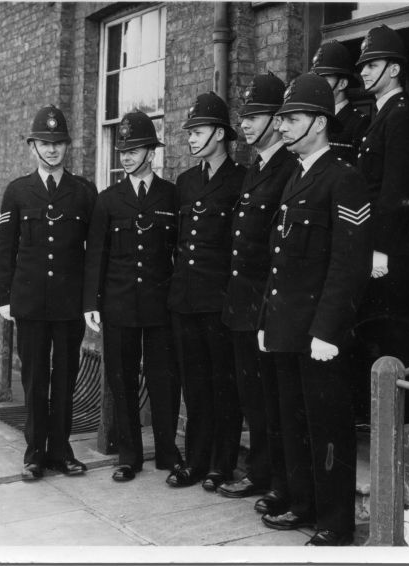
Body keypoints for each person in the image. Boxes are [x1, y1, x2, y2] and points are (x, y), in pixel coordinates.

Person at [257, 73, 373, 546]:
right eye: (282, 119)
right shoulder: (298, 176)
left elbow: (349, 264)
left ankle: (335, 524)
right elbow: (279, 256)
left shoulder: (343, 178)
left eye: (293, 119)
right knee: (294, 422)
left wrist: (327, 330)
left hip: (319, 334)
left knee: (327, 429)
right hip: (287, 327)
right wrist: (267, 319)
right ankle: (304, 504)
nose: (283, 127)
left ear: (321, 124)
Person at [0, 104, 96, 481]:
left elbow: (92, 254)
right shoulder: (18, 192)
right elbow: (5, 248)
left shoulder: (83, 191)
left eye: (59, 143)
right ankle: (34, 453)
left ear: (67, 146)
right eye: (45, 142)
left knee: (65, 376)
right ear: (31, 146)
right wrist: (6, 298)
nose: (52, 150)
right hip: (32, 304)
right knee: (35, 378)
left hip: (69, 304)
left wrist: (89, 303)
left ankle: (61, 450)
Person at [83, 111, 183, 483]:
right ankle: (129, 454)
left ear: (151, 152)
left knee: (164, 379)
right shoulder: (109, 200)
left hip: (160, 305)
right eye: (122, 149)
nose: (125, 156)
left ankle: (167, 451)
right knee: (121, 380)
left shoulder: (170, 195)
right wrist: (91, 303)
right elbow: (96, 255)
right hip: (119, 303)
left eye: (134, 149)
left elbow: (178, 251)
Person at [217, 73, 298, 514]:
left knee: (272, 399)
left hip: (266, 304)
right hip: (241, 302)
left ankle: (275, 479)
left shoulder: (287, 168)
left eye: (256, 116)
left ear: (277, 120)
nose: (246, 125)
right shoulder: (256, 168)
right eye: (244, 117)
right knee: (252, 396)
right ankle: (261, 471)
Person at [166, 92, 247, 491]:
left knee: (222, 384)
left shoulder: (240, 179)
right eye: (191, 133)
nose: (192, 139)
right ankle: (196, 461)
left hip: (219, 301)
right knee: (193, 384)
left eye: (198, 132)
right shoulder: (185, 182)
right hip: (185, 300)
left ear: (219, 133)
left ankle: (221, 464)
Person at [355, 25, 409, 423]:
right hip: (373, 248)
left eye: (373, 64)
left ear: (394, 69)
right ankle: (377, 423)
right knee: (373, 336)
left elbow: (396, 188)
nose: (364, 72)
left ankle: (396, 427)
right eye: (363, 65)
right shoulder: (377, 116)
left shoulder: (400, 115)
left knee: (392, 337)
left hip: (389, 252)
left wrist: (380, 247)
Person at [310, 40, 368, 165]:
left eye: (325, 79)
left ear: (342, 84)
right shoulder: (311, 119)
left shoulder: (359, 122)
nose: (318, 85)